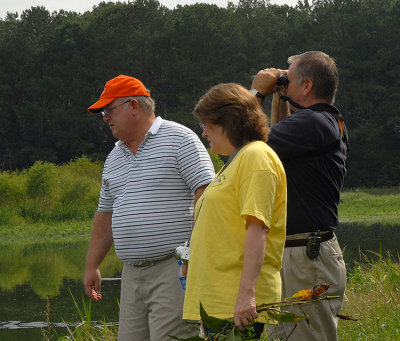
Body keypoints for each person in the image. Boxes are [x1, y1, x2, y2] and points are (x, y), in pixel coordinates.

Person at [83, 74, 215, 341]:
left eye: (109, 110)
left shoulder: (180, 139)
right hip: (131, 275)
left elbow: (208, 195)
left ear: (133, 106)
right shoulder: (113, 157)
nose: (106, 118)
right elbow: (105, 214)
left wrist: (194, 254)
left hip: (174, 270)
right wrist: (92, 265)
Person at [251, 51, 349, 340]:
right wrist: (282, 95)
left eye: (289, 80)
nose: (284, 84)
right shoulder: (323, 123)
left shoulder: (313, 123)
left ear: (307, 86)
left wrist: (256, 93)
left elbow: (247, 150)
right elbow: (276, 143)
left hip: (305, 257)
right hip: (300, 255)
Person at [182, 83, 287, 338]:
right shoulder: (235, 161)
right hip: (219, 300)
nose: (204, 134)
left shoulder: (256, 157)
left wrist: (246, 295)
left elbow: (257, 228)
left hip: (235, 304)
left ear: (227, 122)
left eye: (206, 125)